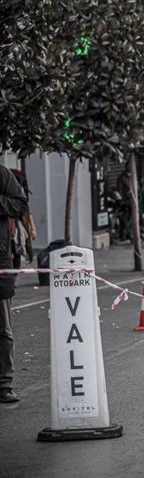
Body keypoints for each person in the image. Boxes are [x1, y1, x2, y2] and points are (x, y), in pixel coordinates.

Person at [0, 164, 29, 404]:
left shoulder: (1, 173)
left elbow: (20, 204)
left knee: (2, 327)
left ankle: (4, 384)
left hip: (0, 262)